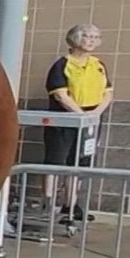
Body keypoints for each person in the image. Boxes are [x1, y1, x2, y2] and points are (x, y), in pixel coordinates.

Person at [44, 23, 113, 225]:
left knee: (78, 163)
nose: (91, 41)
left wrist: (95, 114)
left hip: (90, 119)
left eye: (95, 37)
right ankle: (48, 205)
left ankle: (71, 205)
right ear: (75, 39)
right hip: (65, 119)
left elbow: (107, 92)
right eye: (87, 36)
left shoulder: (98, 64)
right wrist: (80, 114)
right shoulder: (62, 65)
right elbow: (60, 95)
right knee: (55, 162)